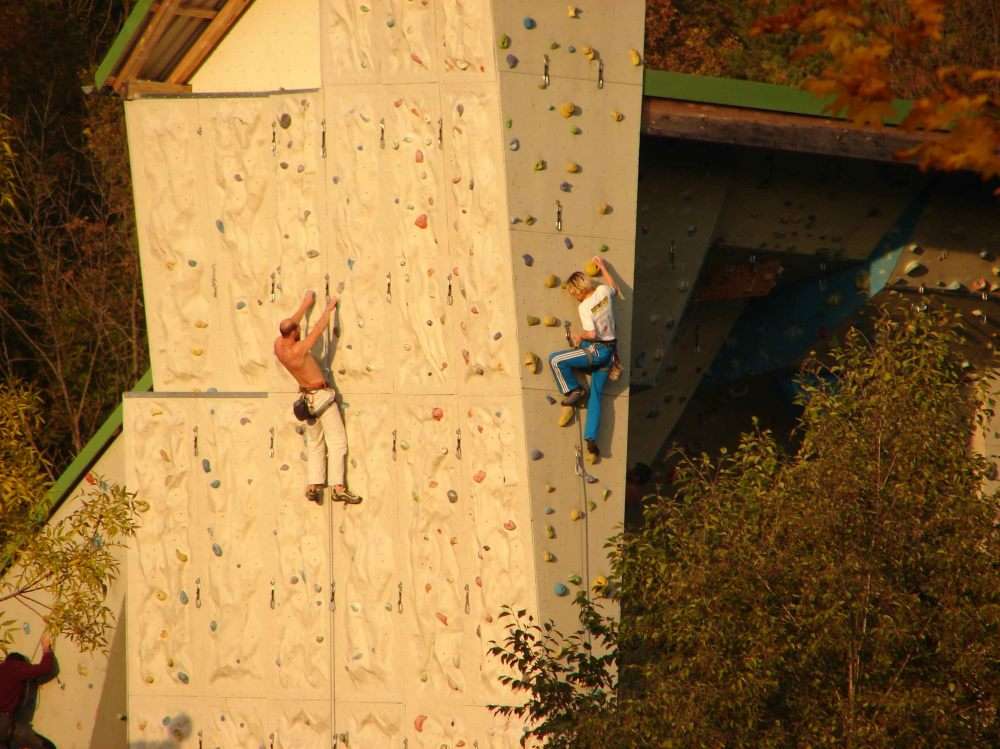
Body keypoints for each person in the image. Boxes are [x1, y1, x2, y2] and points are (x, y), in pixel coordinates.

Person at [274, 291, 362, 505]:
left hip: (306, 400)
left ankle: (313, 484)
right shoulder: (300, 350)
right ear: (295, 334)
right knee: (337, 442)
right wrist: (329, 308)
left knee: (315, 443)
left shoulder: (279, 346)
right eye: (297, 329)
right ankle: (338, 487)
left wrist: (305, 305)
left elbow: (290, 324)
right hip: (321, 397)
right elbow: (318, 330)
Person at [549, 256, 620, 458]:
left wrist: (578, 335)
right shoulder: (603, 291)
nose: (574, 297)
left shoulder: (584, 307)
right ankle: (590, 438)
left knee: (556, 359)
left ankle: (574, 389)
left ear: (578, 290)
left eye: (573, 293)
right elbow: (614, 286)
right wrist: (604, 267)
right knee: (596, 396)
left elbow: (592, 334)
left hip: (598, 350)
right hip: (610, 353)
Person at [0, 633, 56, 749]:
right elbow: (45, 668)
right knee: (45, 746)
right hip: (3, 723)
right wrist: (46, 648)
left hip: (5, 726)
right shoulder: (15, 667)